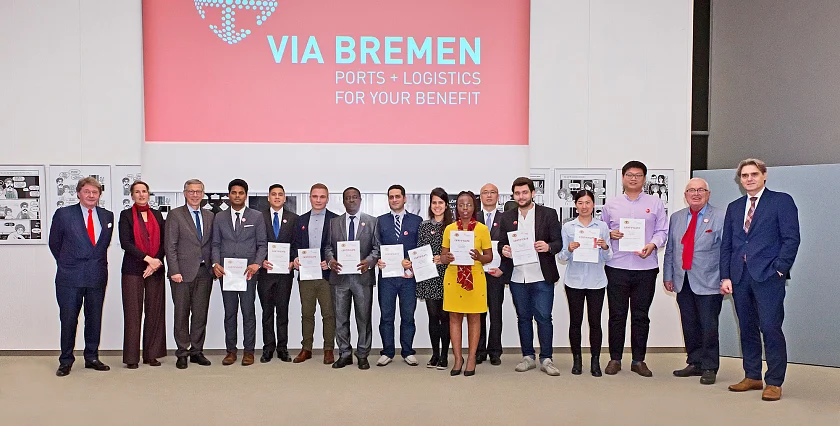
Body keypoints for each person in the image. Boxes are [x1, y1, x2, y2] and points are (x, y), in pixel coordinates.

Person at [720, 158, 800, 401]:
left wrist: (779, 269)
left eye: (754, 174)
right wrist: (725, 275)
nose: (749, 179)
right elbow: (727, 245)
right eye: (744, 175)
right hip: (740, 277)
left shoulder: (781, 201)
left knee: (770, 327)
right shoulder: (734, 207)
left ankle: (774, 381)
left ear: (764, 176)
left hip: (768, 276)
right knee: (746, 328)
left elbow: (791, 239)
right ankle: (752, 375)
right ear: (740, 179)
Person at [601, 161, 668, 377]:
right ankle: (615, 358)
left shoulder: (655, 203)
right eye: (629, 175)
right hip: (617, 266)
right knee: (617, 315)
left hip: (645, 267)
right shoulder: (611, 204)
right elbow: (602, 231)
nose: (633, 179)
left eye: (638, 175)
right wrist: (610, 234)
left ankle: (639, 360)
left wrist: (653, 245)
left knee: (641, 315)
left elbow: (662, 231)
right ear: (622, 178)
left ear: (644, 179)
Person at [498, 177, 564, 376]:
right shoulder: (507, 217)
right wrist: (505, 250)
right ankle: (528, 357)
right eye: (517, 193)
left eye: (524, 192)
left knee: (544, 318)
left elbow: (558, 242)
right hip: (518, 277)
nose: (521, 196)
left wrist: (548, 247)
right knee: (523, 318)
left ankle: (546, 358)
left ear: (533, 193)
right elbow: (501, 244)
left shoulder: (548, 214)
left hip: (541, 276)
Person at [49, 177, 114, 377]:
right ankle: (66, 360)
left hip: (97, 275)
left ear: (99, 195)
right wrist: (68, 263)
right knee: (68, 319)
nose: (91, 195)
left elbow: (102, 246)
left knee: (94, 319)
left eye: (95, 192)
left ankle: (92, 357)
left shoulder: (107, 216)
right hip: (70, 277)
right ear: (79, 193)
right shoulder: (64, 214)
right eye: (87, 191)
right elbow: (54, 243)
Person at [663, 178, 724, 385]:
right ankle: (695, 362)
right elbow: (671, 249)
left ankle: (709, 366)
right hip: (682, 280)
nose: (696, 193)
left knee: (708, 326)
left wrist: (726, 278)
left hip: (709, 280)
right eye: (691, 190)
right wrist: (668, 275)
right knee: (689, 324)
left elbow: (726, 251)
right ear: (685, 194)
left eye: (700, 190)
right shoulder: (677, 217)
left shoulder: (720, 216)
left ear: (708, 193)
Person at [211, 179, 267, 366]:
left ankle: (249, 351)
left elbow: (262, 244)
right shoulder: (219, 217)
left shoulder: (257, 216)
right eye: (233, 192)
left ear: (246, 195)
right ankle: (231, 351)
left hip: (247, 273)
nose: (237, 196)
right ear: (229, 195)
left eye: (240, 193)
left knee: (248, 312)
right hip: (226, 273)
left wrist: (257, 264)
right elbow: (216, 244)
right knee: (230, 313)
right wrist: (215, 264)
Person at [325, 187, 380, 369]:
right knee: (340, 318)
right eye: (347, 198)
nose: (351, 201)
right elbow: (327, 248)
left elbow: (377, 249)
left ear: (360, 199)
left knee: (363, 318)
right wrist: (331, 260)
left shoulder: (372, 222)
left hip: (362, 278)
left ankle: (362, 354)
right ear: (343, 201)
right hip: (339, 278)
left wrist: (369, 262)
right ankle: (344, 353)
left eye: (354, 197)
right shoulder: (334, 223)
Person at [559, 189, 612, 376]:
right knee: (575, 321)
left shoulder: (602, 227)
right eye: (580, 203)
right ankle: (577, 361)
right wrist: (569, 249)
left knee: (595, 322)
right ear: (575, 205)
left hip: (596, 281)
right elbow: (562, 257)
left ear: (593, 205)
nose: (584, 206)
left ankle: (595, 361)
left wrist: (605, 246)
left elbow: (609, 256)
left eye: (588, 202)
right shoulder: (568, 227)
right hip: (574, 281)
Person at [441, 191, 493, 376]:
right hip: (454, 277)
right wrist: (446, 257)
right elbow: (443, 256)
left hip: (475, 277)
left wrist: (479, 257)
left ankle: (471, 358)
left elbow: (489, 256)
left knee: (474, 318)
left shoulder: (481, 229)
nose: (465, 208)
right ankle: (457, 358)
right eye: (461, 205)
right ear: (457, 207)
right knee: (454, 318)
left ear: (474, 207)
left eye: (469, 205)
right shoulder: (449, 229)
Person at [165, 179, 215, 369]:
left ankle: (196, 351)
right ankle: (182, 352)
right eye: (191, 191)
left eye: (198, 191)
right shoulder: (175, 215)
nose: (195, 195)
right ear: (185, 193)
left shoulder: (210, 216)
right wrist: (174, 271)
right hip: (182, 274)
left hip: (205, 272)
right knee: (181, 314)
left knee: (200, 313)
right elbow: (170, 246)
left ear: (203, 194)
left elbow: (211, 244)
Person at [117, 181, 166, 369]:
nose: (141, 194)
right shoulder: (126, 215)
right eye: (137, 192)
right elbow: (126, 243)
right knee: (133, 314)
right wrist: (148, 259)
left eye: (144, 191)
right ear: (132, 195)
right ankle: (131, 357)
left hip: (155, 269)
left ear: (148, 194)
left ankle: (151, 355)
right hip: (133, 269)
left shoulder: (157, 214)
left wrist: (155, 263)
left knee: (154, 312)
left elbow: (164, 242)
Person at [375, 184, 422, 367]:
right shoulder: (380, 221)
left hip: (408, 278)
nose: (394, 200)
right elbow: (375, 246)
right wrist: (378, 259)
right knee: (386, 316)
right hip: (387, 277)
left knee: (408, 316)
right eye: (391, 197)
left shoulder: (416, 221)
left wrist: (412, 264)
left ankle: (407, 351)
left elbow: (420, 248)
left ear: (405, 198)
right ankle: (387, 351)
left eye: (397, 196)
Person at [292, 183, 338, 364]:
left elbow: (338, 247)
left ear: (327, 198)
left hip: (326, 275)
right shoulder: (300, 220)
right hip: (306, 275)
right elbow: (295, 244)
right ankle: (306, 348)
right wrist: (295, 258)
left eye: (322, 197)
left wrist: (330, 262)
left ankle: (328, 349)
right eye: (315, 196)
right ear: (310, 197)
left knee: (328, 314)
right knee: (307, 314)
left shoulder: (335, 220)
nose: (318, 200)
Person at [412, 187, 453, 369]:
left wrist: (443, 258)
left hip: (447, 276)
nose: (437, 206)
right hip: (428, 277)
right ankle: (435, 354)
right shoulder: (424, 225)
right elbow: (420, 248)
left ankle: (445, 355)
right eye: (434, 202)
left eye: (440, 203)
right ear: (430, 205)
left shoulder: (453, 226)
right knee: (432, 317)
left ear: (446, 205)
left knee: (445, 318)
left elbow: (457, 252)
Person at [257, 184, 299, 363]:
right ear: (268, 197)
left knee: (282, 311)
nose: (276, 197)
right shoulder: (259, 217)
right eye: (273, 194)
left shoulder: (293, 218)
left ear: (285, 198)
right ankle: (268, 348)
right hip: (265, 272)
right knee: (267, 312)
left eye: (280, 195)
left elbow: (297, 243)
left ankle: (282, 348)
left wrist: (293, 260)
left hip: (285, 273)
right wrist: (260, 261)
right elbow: (255, 242)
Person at [476, 183, 505, 366]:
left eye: (492, 192)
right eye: (485, 193)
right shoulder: (473, 218)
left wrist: (504, 269)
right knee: (479, 313)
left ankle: (495, 351)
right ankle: (479, 350)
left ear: (498, 196)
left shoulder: (507, 218)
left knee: (496, 312)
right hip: (477, 272)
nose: (488, 196)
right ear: (480, 197)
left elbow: (511, 245)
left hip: (496, 273)